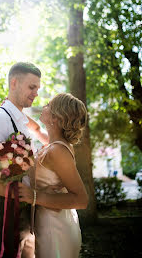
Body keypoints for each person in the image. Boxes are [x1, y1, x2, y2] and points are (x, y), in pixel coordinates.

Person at [0, 62, 48, 258]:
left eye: (37, 88)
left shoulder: (23, 123)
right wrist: (26, 195)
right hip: (3, 212)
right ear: (14, 83)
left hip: (27, 214)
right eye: (32, 87)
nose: (36, 93)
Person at [18, 93, 89, 258]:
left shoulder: (58, 150)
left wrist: (34, 196)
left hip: (56, 229)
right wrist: (15, 111)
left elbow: (81, 200)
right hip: (45, 222)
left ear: (56, 117)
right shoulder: (52, 144)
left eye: (49, 105)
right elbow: (35, 129)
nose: (44, 107)